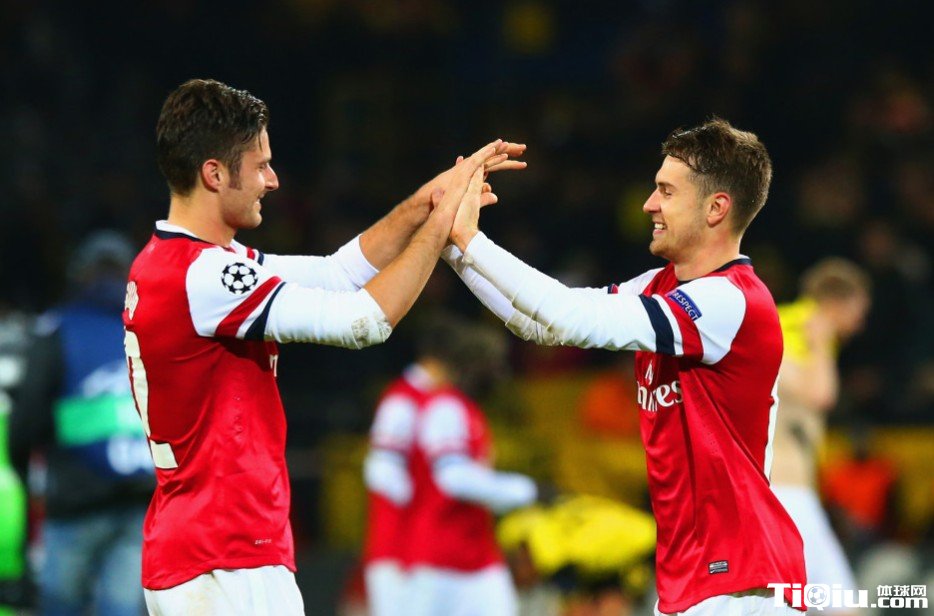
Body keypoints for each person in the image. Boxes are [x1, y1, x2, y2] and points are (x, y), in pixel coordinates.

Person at [125, 78, 522, 614]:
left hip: (213, 549)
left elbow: (339, 274)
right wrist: (441, 227)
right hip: (222, 555)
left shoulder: (186, 264)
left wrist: (424, 203)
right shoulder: (205, 276)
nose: (273, 180)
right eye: (261, 165)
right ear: (214, 174)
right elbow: (363, 322)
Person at [440, 118, 807, 614]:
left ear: (716, 208)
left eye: (666, 192)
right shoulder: (659, 286)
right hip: (690, 576)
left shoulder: (731, 301)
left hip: (742, 579)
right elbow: (542, 326)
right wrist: (454, 248)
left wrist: (470, 239)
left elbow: (565, 317)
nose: (649, 204)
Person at [10, 231, 155, 615]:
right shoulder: (150, 326)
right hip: (138, 496)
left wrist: (27, 475)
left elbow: (27, 419)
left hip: (74, 497)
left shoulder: (58, 328)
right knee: (122, 609)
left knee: (61, 604)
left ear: (80, 273)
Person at [362, 316, 537, 616]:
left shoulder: (454, 406)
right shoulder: (411, 403)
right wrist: (519, 490)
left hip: (466, 548)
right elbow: (382, 473)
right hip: (409, 548)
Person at [770, 258, 871, 607]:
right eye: (859, 311)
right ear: (836, 302)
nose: (860, 324)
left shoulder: (787, 324)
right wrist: (820, 344)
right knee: (840, 604)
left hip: (790, 492)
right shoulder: (797, 328)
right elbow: (820, 395)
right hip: (784, 493)